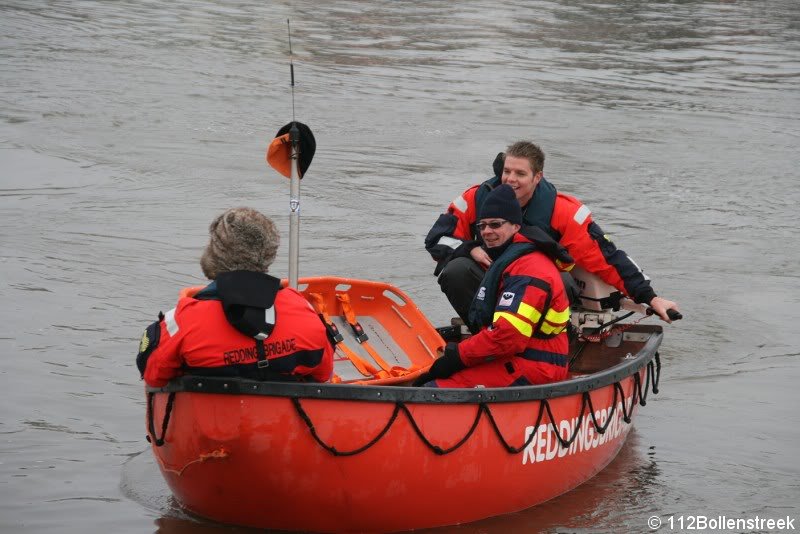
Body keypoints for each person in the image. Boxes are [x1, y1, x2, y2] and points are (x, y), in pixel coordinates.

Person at [425, 141, 680, 324]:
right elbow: (437, 239)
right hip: (488, 282)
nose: (510, 179)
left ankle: (542, 344)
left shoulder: (563, 211)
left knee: (563, 281)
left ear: (538, 177)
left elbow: (607, 257)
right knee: (456, 270)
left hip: (541, 289)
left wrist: (651, 298)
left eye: (520, 173)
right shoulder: (474, 199)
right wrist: (470, 248)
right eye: (507, 171)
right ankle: (483, 334)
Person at [136, 207, 333, 387]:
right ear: (269, 254)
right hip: (287, 422)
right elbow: (323, 373)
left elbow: (153, 375)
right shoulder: (303, 310)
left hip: (210, 422)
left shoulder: (183, 320)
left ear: (215, 253)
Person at [415, 184, 571, 388]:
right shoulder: (511, 259)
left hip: (537, 366)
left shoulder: (529, 268)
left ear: (516, 226)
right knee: (434, 378)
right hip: (518, 356)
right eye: (482, 226)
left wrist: (458, 356)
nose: (487, 231)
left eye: (495, 225)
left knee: (433, 389)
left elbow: (508, 337)